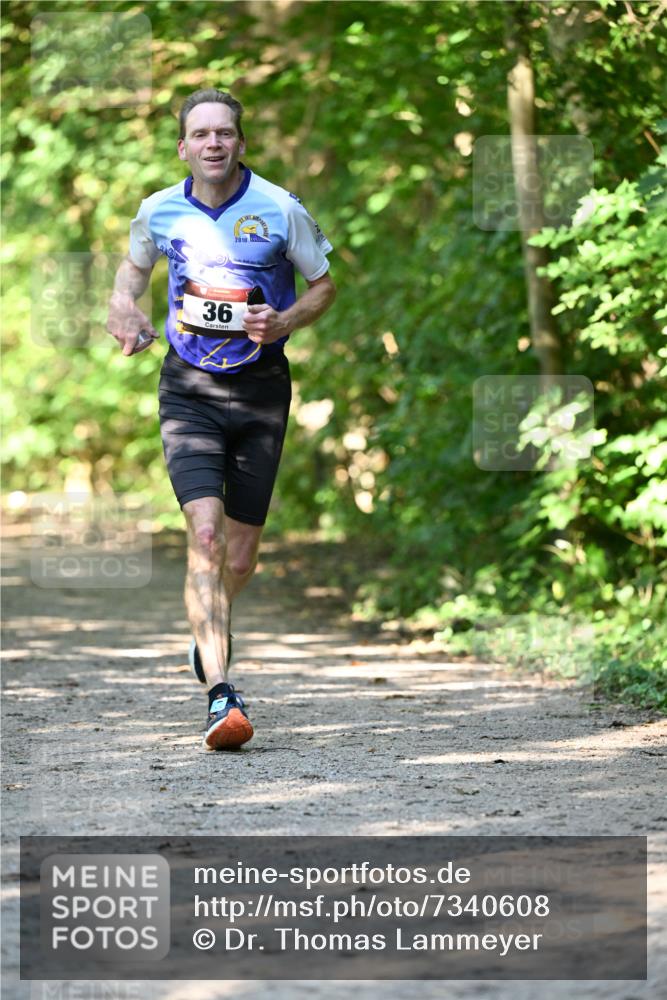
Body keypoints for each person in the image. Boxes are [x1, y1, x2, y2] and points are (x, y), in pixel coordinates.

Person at [106, 89, 335, 751]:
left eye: (224, 133)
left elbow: (323, 285)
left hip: (261, 390)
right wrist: (123, 304)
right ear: (183, 147)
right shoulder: (159, 209)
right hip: (189, 388)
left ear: (240, 143)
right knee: (205, 535)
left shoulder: (280, 208)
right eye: (201, 134)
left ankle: (207, 632)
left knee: (239, 554)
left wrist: (284, 320)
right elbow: (132, 269)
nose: (213, 143)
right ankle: (220, 692)